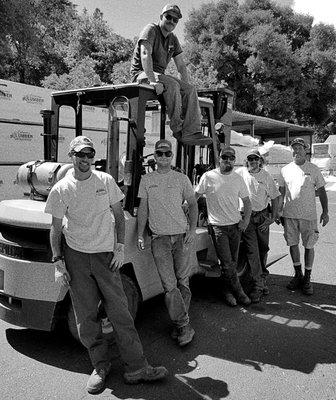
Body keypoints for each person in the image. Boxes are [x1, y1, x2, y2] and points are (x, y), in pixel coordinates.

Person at [44, 136, 168, 394]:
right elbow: (55, 230)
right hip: (76, 257)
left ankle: (137, 367)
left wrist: (120, 247)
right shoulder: (61, 189)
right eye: (81, 155)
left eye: (90, 155)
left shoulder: (106, 181)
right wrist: (58, 263)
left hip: (105, 256)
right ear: (72, 156)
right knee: (86, 318)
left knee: (120, 313)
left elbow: (118, 216)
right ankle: (100, 366)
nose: (86, 160)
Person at [137, 139, 198, 346]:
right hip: (159, 239)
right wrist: (140, 233)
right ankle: (183, 326)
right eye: (159, 153)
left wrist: (191, 229)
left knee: (183, 282)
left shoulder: (181, 178)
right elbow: (143, 209)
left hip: (181, 237)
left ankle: (181, 324)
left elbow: (193, 204)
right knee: (170, 285)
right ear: (154, 156)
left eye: (167, 153)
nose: (163, 157)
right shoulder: (146, 180)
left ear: (172, 156)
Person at [130, 4, 211, 146]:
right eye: (169, 17)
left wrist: (185, 87)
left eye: (175, 20)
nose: (172, 21)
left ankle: (191, 131)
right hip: (142, 74)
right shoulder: (151, 30)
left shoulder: (173, 39)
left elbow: (181, 66)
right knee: (172, 84)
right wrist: (153, 80)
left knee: (190, 89)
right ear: (161, 17)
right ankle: (177, 129)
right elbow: (145, 54)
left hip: (159, 76)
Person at [195, 146, 252, 307]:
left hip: (235, 226)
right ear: (219, 158)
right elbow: (196, 194)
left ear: (235, 160)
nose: (228, 160)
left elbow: (247, 202)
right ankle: (240, 293)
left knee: (231, 262)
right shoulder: (209, 176)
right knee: (227, 263)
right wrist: (186, 205)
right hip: (218, 227)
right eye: (225, 157)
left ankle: (227, 291)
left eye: (231, 158)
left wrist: (245, 221)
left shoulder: (237, 178)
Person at [277, 137, 329, 295]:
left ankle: (307, 278)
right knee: (292, 244)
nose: (296, 150)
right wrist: (279, 212)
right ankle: (298, 274)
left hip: (309, 216)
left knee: (309, 246)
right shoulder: (285, 170)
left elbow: (321, 191)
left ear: (305, 150)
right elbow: (281, 193)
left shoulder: (313, 169)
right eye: (294, 148)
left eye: (300, 148)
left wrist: (325, 212)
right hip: (290, 215)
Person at [236, 149, 280, 302]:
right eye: (250, 159)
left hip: (261, 217)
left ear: (260, 160)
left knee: (262, 250)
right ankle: (258, 287)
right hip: (246, 217)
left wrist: (273, 217)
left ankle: (262, 279)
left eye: (256, 159)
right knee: (252, 251)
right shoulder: (240, 173)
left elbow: (275, 197)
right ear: (246, 160)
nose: (253, 161)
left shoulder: (266, 176)